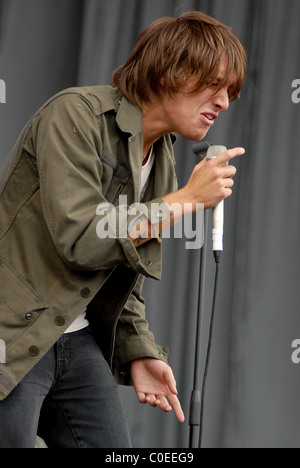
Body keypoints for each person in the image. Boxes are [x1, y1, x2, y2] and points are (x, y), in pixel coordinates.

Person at [0, 11, 246, 448]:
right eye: (216, 84)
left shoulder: (162, 155)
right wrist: (185, 200)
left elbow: (123, 272)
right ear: (171, 69)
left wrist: (139, 349)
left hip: (74, 338)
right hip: (11, 331)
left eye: (230, 91)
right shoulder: (74, 114)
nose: (224, 102)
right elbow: (81, 238)